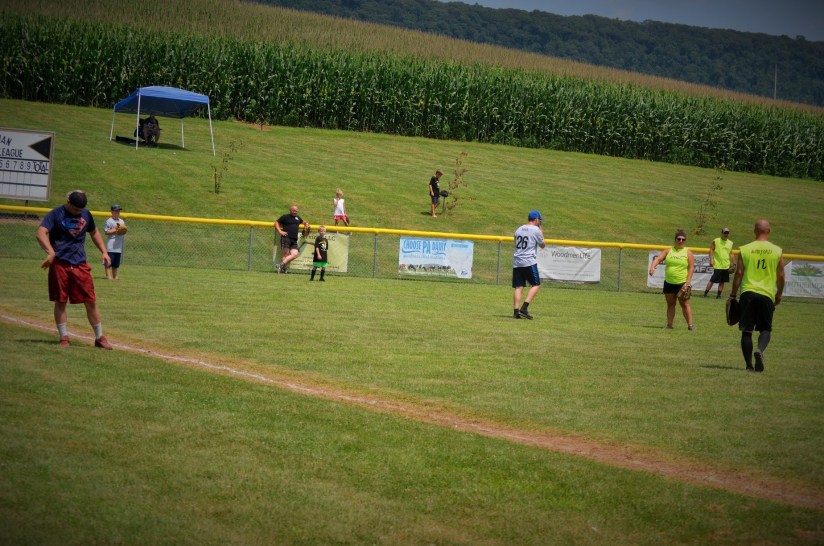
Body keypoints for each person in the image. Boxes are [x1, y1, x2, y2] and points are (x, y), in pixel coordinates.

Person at [35, 190, 113, 349]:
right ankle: (64, 337)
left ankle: (99, 338)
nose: (78, 212)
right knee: (61, 301)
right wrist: (51, 252)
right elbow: (41, 233)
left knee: (90, 301)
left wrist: (104, 252)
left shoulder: (86, 214)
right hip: (60, 264)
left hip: (79, 264)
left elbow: (94, 232)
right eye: (76, 209)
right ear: (68, 202)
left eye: (80, 210)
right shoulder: (55, 214)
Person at [729, 219, 784, 372]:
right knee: (765, 329)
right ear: (769, 231)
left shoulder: (745, 249)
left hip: (748, 293)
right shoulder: (777, 251)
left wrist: (733, 294)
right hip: (767, 294)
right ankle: (759, 350)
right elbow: (781, 275)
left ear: (754, 230)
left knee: (746, 331)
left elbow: (739, 273)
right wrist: (779, 294)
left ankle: (748, 366)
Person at [649, 229, 695, 330]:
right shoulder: (668, 251)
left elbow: (691, 267)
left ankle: (690, 325)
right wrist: (652, 267)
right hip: (669, 282)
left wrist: (688, 282)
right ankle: (669, 325)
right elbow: (658, 259)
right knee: (670, 304)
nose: (681, 241)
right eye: (679, 239)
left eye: (683, 239)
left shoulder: (688, 252)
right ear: (675, 239)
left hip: (682, 283)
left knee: (684, 304)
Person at [512, 210, 546, 319]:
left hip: (517, 261)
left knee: (519, 286)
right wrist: (541, 230)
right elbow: (542, 245)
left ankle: (516, 311)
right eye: (539, 220)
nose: (540, 222)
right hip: (529, 261)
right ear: (536, 219)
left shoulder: (519, 229)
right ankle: (524, 308)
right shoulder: (536, 230)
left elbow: (515, 241)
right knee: (536, 285)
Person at [275, 204, 310, 273]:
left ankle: (280, 265)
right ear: (290, 210)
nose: (294, 212)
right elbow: (276, 222)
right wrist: (280, 231)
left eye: (296, 210)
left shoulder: (298, 218)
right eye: (293, 210)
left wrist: (306, 224)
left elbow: (303, 221)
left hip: (294, 240)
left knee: (295, 254)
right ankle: (283, 269)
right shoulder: (285, 217)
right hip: (286, 238)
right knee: (286, 254)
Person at [704, 227, 734, 298]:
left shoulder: (730, 243)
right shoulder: (716, 241)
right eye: (725, 233)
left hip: (726, 265)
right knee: (712, 280)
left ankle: (719, 295)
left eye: (727, 233)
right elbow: (711, 249)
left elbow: (731, 253)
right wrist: (711, 259)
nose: (726, 234)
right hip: (718, 265)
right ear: (722, 233)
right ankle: (705, 294)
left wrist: (734, 263)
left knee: (722, 281)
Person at [104, 204, 127, 280]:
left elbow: (123, 231)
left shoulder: (121, 221)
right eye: (116, 210)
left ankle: (115, 276)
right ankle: (108, 275)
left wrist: (124, 230)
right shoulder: (109, 221)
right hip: (111, 245)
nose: (118, 212)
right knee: (109, 262)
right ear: (112, 211)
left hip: (119, 246)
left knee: (116, 263)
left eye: (119, 211)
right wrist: (116, 229)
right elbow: (107, 232)